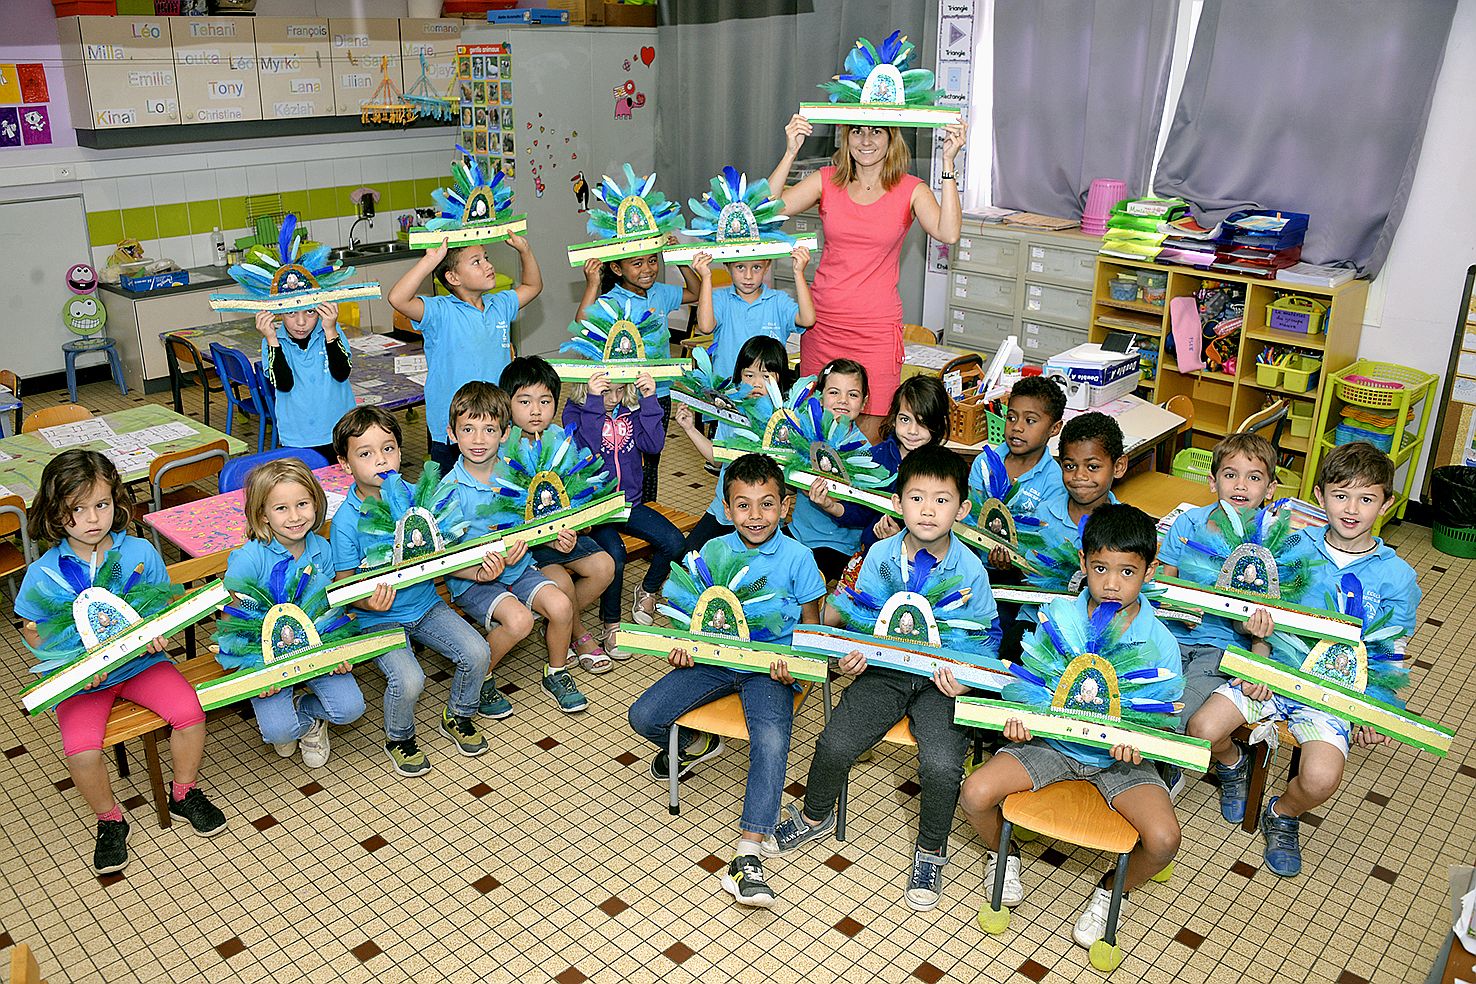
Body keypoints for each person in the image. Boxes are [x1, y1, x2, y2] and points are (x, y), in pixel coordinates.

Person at [765, 446, 999, 912]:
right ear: (897, 503)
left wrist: (968, 682)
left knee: (940, 765)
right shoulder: (879, 555)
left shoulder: (971, 567)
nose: (928, 510)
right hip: (885, 674)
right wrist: (848, 660)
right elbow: (857, 617)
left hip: (941, 683)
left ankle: (931, 850)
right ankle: (815, 815)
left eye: (942, 499)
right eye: (916, 497)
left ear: (963, 508)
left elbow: (989, 637)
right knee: (833, 742)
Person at [1187, 442, 1421, 877]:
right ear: (1319, 496)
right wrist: (1258, 661)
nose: (1351, 509)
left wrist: (1376, 710)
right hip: (1273, 671)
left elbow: (1393, 649)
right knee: (1201, 729)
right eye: (1340, 495)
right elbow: (1264, 616)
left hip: (1331, 691)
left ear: (1387, 503)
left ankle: (1284, 811)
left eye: (1367, 498)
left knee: (1320, 780)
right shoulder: (1292, 545)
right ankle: (1234, 765)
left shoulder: (1397, 576)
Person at [959, 504, 1182, 949]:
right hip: (1053, 745)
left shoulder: (1162, 641)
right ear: (1083, 564)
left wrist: (1142, 746)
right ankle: (1004, 855)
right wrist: (1019, 722)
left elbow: (1166, 722)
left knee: (1163, 840)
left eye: (1127, 571)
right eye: (1100, 568)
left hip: (1120, 764)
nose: (1112, 583)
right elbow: (1027, 685)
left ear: (1150, 571)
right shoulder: (1058, 618)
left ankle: (1109, 890)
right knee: (974, 793)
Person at [627, 453, 826, 908]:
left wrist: (794, 662)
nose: (755, 516)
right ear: (726, 506)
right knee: (643, 716)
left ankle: (748, 853)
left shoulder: (799, 558)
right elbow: (689, 614)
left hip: (769, 669)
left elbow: (813, 630)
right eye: (743, 505)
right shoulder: (714, 551)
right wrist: (683, 646)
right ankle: (697, 741)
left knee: (772, 741)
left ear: (786, 507)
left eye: (766, 504)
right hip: (713, 660)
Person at [16, 450, 227, 874]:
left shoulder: (140, 552)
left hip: (141, 666)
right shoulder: (43, 572)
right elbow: (31, 628)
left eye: (102, 504)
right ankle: (109, 819)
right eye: (77, 509)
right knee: (80, 750)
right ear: (57, 514)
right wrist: (70, 663)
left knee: (191, 712)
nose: (93, 518)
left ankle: (183, 791)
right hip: (83, 682)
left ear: (117, 502)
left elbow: (161, 604)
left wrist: (158, 633)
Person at [767, 115, 966, 438]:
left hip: (875, 330)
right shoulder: (826, 180)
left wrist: (947, 162)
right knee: (816, 430)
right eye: (857, 131)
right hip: (823, 325)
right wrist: (790, 152)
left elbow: (949, 232)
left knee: (870, 439)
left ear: (891, 138)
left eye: (876, 131)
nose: (866, 140)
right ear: (845, 137)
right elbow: (768, 210)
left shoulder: (911, 189)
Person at [329, 407, 493, 776]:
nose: (380, 460)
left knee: (477, 651)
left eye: (388, 449)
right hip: (376, 618)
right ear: (345, 464)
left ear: (401, 453)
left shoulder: (417, 496)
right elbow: (343, 583)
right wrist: (365, 599)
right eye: (365, 453)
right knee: (409, 678)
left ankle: (459, 714)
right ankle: (399, 737)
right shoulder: (345, 521)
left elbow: (443, 553)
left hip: (426, 604)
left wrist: (478, 571)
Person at [438, 381, 583, 716]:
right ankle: (482, 675)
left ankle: (557, 673)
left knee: (562, 606)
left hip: (519, 569)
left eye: (489, 429)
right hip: (473, 581)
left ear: (505, 434)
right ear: (451, 433)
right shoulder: (449, 489)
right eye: (468, 429)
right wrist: (478, 571)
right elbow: (441, 558)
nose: (478, 439)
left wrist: (555, 537)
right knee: (519, 622)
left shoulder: (516, 473)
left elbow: (535, 520)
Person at [221, 458, 366, 766]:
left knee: (350, 709)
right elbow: (233, 622)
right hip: (264, 655)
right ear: (263, 515)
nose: (295, 516)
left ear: (316, 503)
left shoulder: (322, 550)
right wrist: (251, 671)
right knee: (278, 731)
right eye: (281, 508)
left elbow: (331, 610)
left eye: (302, 504)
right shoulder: (248, 559)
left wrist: (338, 651)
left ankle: (308, 712)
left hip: (315, 646)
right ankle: (302, 723)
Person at [1158, 432, 1284, 736]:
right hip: (1168, 636)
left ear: (1270, 489)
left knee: (1176, 715)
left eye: (1254, 477)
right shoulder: (1188, 523)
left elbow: (1267, 615)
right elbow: (1164, 577)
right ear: (1213, 481)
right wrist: (1174, 603)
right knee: (1142, 699)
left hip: (1220, 649)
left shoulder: (1271, 542)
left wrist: (1255, 650)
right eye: (1230, 475)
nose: (1240, 485)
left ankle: (1165, 770)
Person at [387, 234, 543, 475]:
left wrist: (525, 250)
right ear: (453, 277)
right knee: (453, 498)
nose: (489, 266)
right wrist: (431, 261)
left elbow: (533, 286)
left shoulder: (499, 304)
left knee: (497, 489)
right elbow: (398, 298)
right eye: (476, 261)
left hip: (495, 423)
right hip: (453, 430)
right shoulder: (440, 311)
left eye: (486, 258)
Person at [500, 355, 618, 669]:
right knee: (562, 585)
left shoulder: (560, 438)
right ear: (507, 405)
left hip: (565, 536)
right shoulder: (503, 447)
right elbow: (502, 512)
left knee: (605, 565)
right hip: (529, 548)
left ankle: (558, 624)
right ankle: (578, 634)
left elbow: (580, 492)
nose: (535, 410)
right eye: (524, 401)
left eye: (544, 401)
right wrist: (547, 540)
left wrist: (579, 529)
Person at [562, 368, 685, 639]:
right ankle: (611, 624)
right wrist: (594, 403)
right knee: (615, 553)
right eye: (606, 391)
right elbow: (588, 451)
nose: (614, 398)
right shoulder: (574, 411)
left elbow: (653, 446)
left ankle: (648, 590)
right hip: (593, 509)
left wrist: (650, 400)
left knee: (675, 542)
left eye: (620, 390)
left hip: (628, 503)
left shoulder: (632, 409)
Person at [577, 242, 702, 502]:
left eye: (653, 260)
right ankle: (626, 508)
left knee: (652, 460)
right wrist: (592, 284)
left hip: (659, 393)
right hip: (625, 396)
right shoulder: (611, 300)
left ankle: (648, 509)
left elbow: (696, 291)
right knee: (626, 456)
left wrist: (678, 257)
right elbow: (582, 326)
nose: (648, 269)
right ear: (617, 268)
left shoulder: (661, 293)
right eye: (637, 263)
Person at [675, 335, 793, 556]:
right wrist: (690, 429)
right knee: (690, 558)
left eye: (766, 376)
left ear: (780, 378)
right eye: (749, 375)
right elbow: (717, 459)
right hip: (724, 509)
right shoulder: (733, 412)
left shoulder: (787, 420)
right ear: (739, 375)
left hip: (763, 517)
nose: (757, 383)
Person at [791, 358, 873, 581]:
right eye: (834, 392)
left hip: (838, 546)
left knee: (803, 581)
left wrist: (829, 504)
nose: (843, 401)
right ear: (820, 396)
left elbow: (862, 511)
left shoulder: (865, 452)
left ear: (864, 402)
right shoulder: (804, 433)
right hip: (798, 533)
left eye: (853, 395)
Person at [860, 374, 952, 551]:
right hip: (872, 555)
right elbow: (859, 511)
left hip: (921, 563)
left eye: (923, 422)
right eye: (905, 419)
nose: (912, 431)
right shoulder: (875, 457)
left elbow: (943, 529)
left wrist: (902, 539)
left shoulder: (943, 471)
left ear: (939, 424)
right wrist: (832, 506)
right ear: (894, 418)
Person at [694, 246, 815, 381]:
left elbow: (808, 320)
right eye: (740, 267)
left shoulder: (778, 300)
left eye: (756, 267)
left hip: (767, 392)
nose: (748, 276)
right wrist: (706, 277)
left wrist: (798, 273)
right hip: (727, 390)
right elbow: (705, 327)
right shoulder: (721, 299)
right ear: (727, 267)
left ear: (767, 266)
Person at [253, 303, 354, 461]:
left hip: (342, 431)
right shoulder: (272, 342)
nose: (301, 322)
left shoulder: (331, 330)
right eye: (291, 311)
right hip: (299, 437)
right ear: (279, 312)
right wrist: (271, 338)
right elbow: (284, 385)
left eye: (310, 311)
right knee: (306, 484)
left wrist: (330, 329)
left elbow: (342, 374)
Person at [970, 375, 1068, 527]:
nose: (1016, 427)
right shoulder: (984, 463)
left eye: (1030, 421)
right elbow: (970, 515)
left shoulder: (1055, 481)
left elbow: (1043, 534)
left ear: (1054, 428)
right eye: (1011, 418)